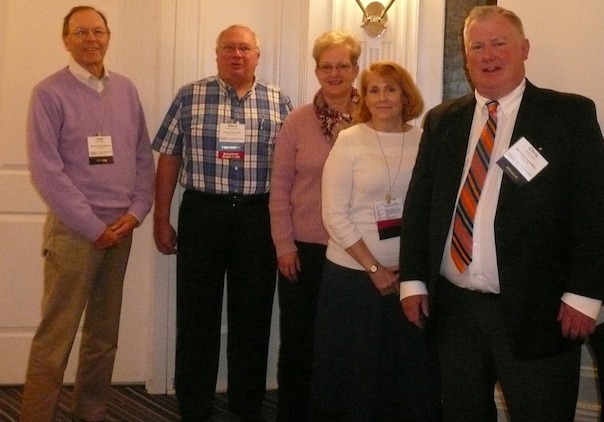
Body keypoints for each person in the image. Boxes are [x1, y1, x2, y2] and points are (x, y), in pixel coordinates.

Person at [400, 5, 604, 422]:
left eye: (499, 43)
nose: (488, 55)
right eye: (476, 47)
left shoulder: (567, 115)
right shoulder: (444, 120)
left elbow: (594, 209)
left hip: (538, 309)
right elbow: (420, 205)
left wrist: (584, 295)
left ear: (524, 49)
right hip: (454, 309)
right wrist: (412, 280)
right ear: (466, 58)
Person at [20, 6, 155, 422]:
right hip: (76, 234)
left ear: (108, 37)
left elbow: (141, 158)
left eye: (98, 31)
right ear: (66, 39)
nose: (91, 39)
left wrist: (135, 213)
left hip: (121, 229)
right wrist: (93, 227)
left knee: (103, 336)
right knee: (55, 337)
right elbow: (47, 171)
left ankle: (90, 413)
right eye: (81, 32)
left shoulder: (127, 90)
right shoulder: (49, 93)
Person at [152, 24, 292, 422]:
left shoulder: (278, 100)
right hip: (202, 213)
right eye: (229, 47)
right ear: (217, 54)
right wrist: (162, 217)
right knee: (197, 314)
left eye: (244, 48)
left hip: (256, 217)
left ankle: (246, 405)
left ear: (257, 55)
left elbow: (289, 168)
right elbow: (168, 158)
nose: (237, 54)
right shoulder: (189, 96)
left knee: (253, 314)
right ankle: (193, 406)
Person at [311, 61, 441, 422]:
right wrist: (374, 268)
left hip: (409, 278)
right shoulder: (349, 140)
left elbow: (432, 207)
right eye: (373, 90)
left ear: (405, 95)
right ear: (364, 97)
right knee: (357, 376)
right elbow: (333, 214)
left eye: (390, 89)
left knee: (405, 374)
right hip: (353, 278)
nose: (382, 97)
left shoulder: (424, 140)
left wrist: (412, 271)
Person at [268, 30, 361, 422]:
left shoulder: (375, 115)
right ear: (316, 70)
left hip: (357, 250)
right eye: (327, 66)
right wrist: (283, 245)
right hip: (303, 250)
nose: (335, 73)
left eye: (343, 65)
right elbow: (279, 189)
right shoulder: (298, 121)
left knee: (348, 341)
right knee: (299, 340)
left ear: (356, 69)